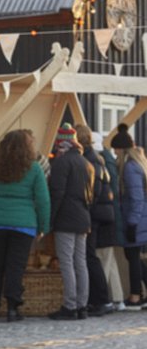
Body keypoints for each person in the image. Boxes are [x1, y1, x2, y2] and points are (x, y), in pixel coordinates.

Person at [0, 129, 50, 322]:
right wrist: (43, 226)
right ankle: (12, 308)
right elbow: (43, 200)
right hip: (23, 223)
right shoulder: (34, 168)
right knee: (15, 267)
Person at [48, 123, 94, 321]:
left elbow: (57, 193)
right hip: (83, 217)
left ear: (61, 143)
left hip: (66, 217)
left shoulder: (61, 163)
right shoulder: (87, 164)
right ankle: (82, 305)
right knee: (80, 262)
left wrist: (50, 219)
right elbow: (91, 196)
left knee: (66, 262)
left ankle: (70, 306)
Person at [74, 125, 115, 317]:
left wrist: (85, 209)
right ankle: (97, 299)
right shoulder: (95, 157)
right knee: (90, 256)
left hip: (94, 214)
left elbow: (94, 191)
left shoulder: (89, 160)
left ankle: (102, 299)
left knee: (89, 256)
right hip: (100, 213)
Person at [111, 123, 147, 310]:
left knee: (132, 257)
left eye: (116, 150)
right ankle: (139, 294)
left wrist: (132, 223)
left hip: (136, 220)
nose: (115, 154)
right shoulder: (137, 164)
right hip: (139, 219)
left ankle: (135, 296)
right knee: (135, 257)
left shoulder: (130, 168)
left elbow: (135, 197)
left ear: (122, 150)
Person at [92, 131, 125, 310]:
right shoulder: (109, 163)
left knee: (102, 259)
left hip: (104, 218)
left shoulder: (100, 164)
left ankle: (103, 299)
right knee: (108, 259)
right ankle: (117, 298)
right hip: (110, 218)